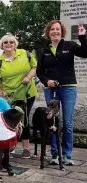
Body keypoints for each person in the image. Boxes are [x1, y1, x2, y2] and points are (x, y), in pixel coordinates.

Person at [36, 20, 87, 165]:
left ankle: (67, 154)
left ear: (62, 31)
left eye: (58, 29)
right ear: (48, 32)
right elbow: (40, 72)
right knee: (52, 121)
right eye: (52, 29)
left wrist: (83, 37)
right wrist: (47, 81)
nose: (55, 32)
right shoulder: (43, 51)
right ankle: (55, 154)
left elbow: (85, 53)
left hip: (68, 88)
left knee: (68, 122)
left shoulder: (70, 45)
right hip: (51, 90)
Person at [0, 33, 38, 159]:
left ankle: (26, 148)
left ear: (15, 44)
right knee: (9, 120)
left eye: (11, 42)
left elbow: (34, 67)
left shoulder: (24, 54)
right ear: (2, 45)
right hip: (9, 96)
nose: (9, 44)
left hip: (26, 92)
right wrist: (1, 93)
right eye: (6, 42)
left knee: (24, 119)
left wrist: (28, 77)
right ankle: (10, 146)